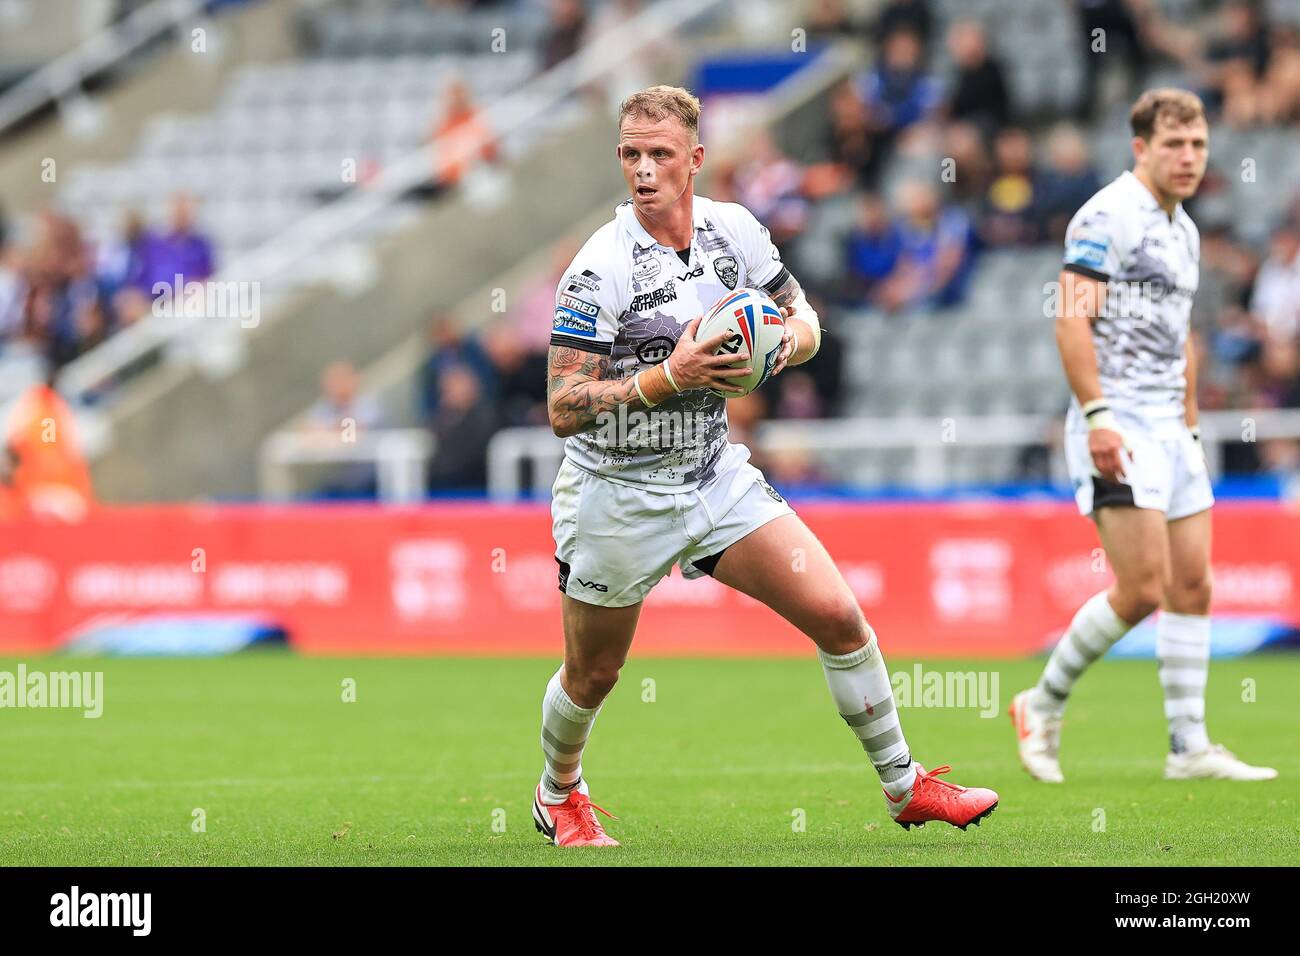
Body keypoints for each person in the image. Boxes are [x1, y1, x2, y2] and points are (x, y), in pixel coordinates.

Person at [535, 85, 998, 848]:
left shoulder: (735, 233)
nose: (644, 170)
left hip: (714, 475)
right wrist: (668, 378)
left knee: (840, 618)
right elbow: (563, 405)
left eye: (660, 155)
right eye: (630, 155)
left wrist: (784, 346)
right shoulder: (598, 269)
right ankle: (559, 792)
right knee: (593, 676)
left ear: (696, 160)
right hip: (617, 495)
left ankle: (905, 785)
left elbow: (804, 316)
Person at [1010, 88, 1276, 783]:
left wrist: (1189, 417)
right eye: (1174, 146)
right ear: (1141, 149)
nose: (1188, 158)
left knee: (1194, 583)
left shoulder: (1184, 230)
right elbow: (1071, 318)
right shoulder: (1106, 215)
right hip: (1117, 419)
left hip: (1169, 425)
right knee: (1142, 588)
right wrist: (1097, 414)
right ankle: (1040, 701)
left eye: (1198, 146)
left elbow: (1180, 334)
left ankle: (1189, 746)